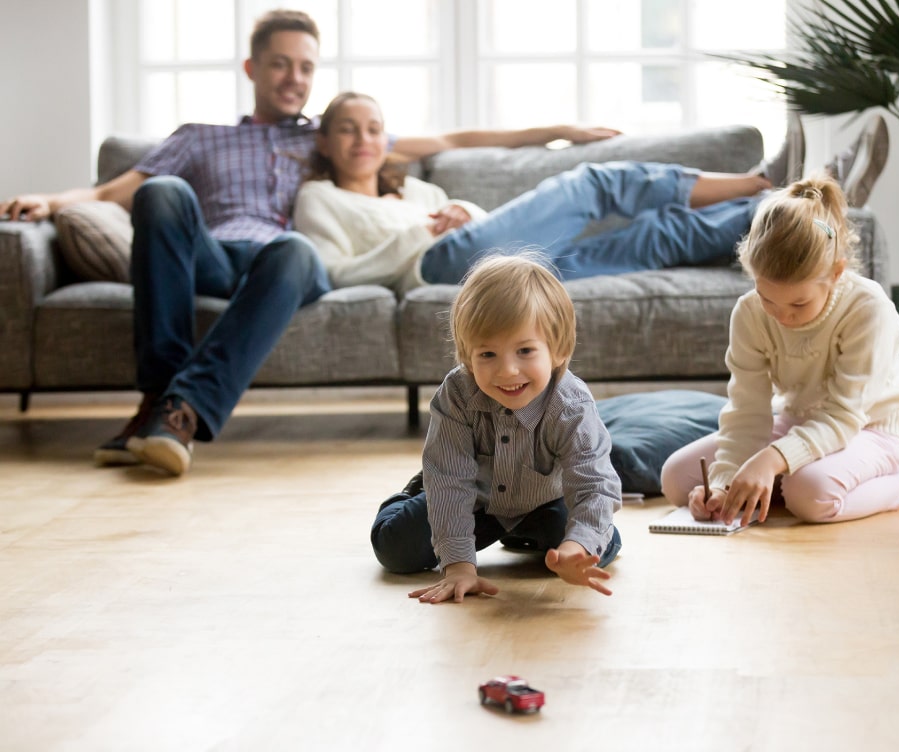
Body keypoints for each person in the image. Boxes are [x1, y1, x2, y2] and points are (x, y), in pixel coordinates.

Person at [0, 11, 619, 477]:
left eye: (305, 67)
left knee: (296, 250)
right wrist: (53, 203)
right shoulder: (200, 136)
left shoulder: (325, 138)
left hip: (289, 266)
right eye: (280, 64)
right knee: (160, 192)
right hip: (216, 257)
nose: (294, 78)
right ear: (253, 69)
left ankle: (177, 413)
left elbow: (452, 139)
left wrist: (558, 130)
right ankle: (160, 400)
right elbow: (120, 188)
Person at [294, 91, 784, 295]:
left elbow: (492, 234)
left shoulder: (418, 190)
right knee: (591, 184)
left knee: (652, 237)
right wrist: (418, 235)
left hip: (501, 271)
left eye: (373, 128)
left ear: (387, 139)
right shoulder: (320, 198)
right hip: (437, 269)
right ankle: (759, 178)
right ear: (324, 140)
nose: (363, 140)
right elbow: (332, 274)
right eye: (347, 130)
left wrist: (464, 211)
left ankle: (774, 210)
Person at [660, 174, 899, 527]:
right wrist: (722, 485)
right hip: (799, 423)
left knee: (809, 496)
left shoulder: (869, 309)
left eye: (799, 304)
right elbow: (747, 411)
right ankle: (774, 481)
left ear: (836, 273)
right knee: (676, 479)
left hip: (874, 427)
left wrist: (770, 460)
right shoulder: (749, 312)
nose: (782, 316)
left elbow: (843, 416)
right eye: (767, 298)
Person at [370, 253, 622, 603]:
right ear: (467, 356)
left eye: (524, 351)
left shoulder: (572, 404)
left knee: (597, 547)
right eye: (487, 355)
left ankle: (528, 533)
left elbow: (594, 484)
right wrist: (458, 565)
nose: (507, 371)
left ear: (559, 350)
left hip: (544, 500)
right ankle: (415, 490)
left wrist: (575, 546)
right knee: (394, 548)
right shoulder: (457, 393)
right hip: (474, 498)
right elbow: (451, 482)